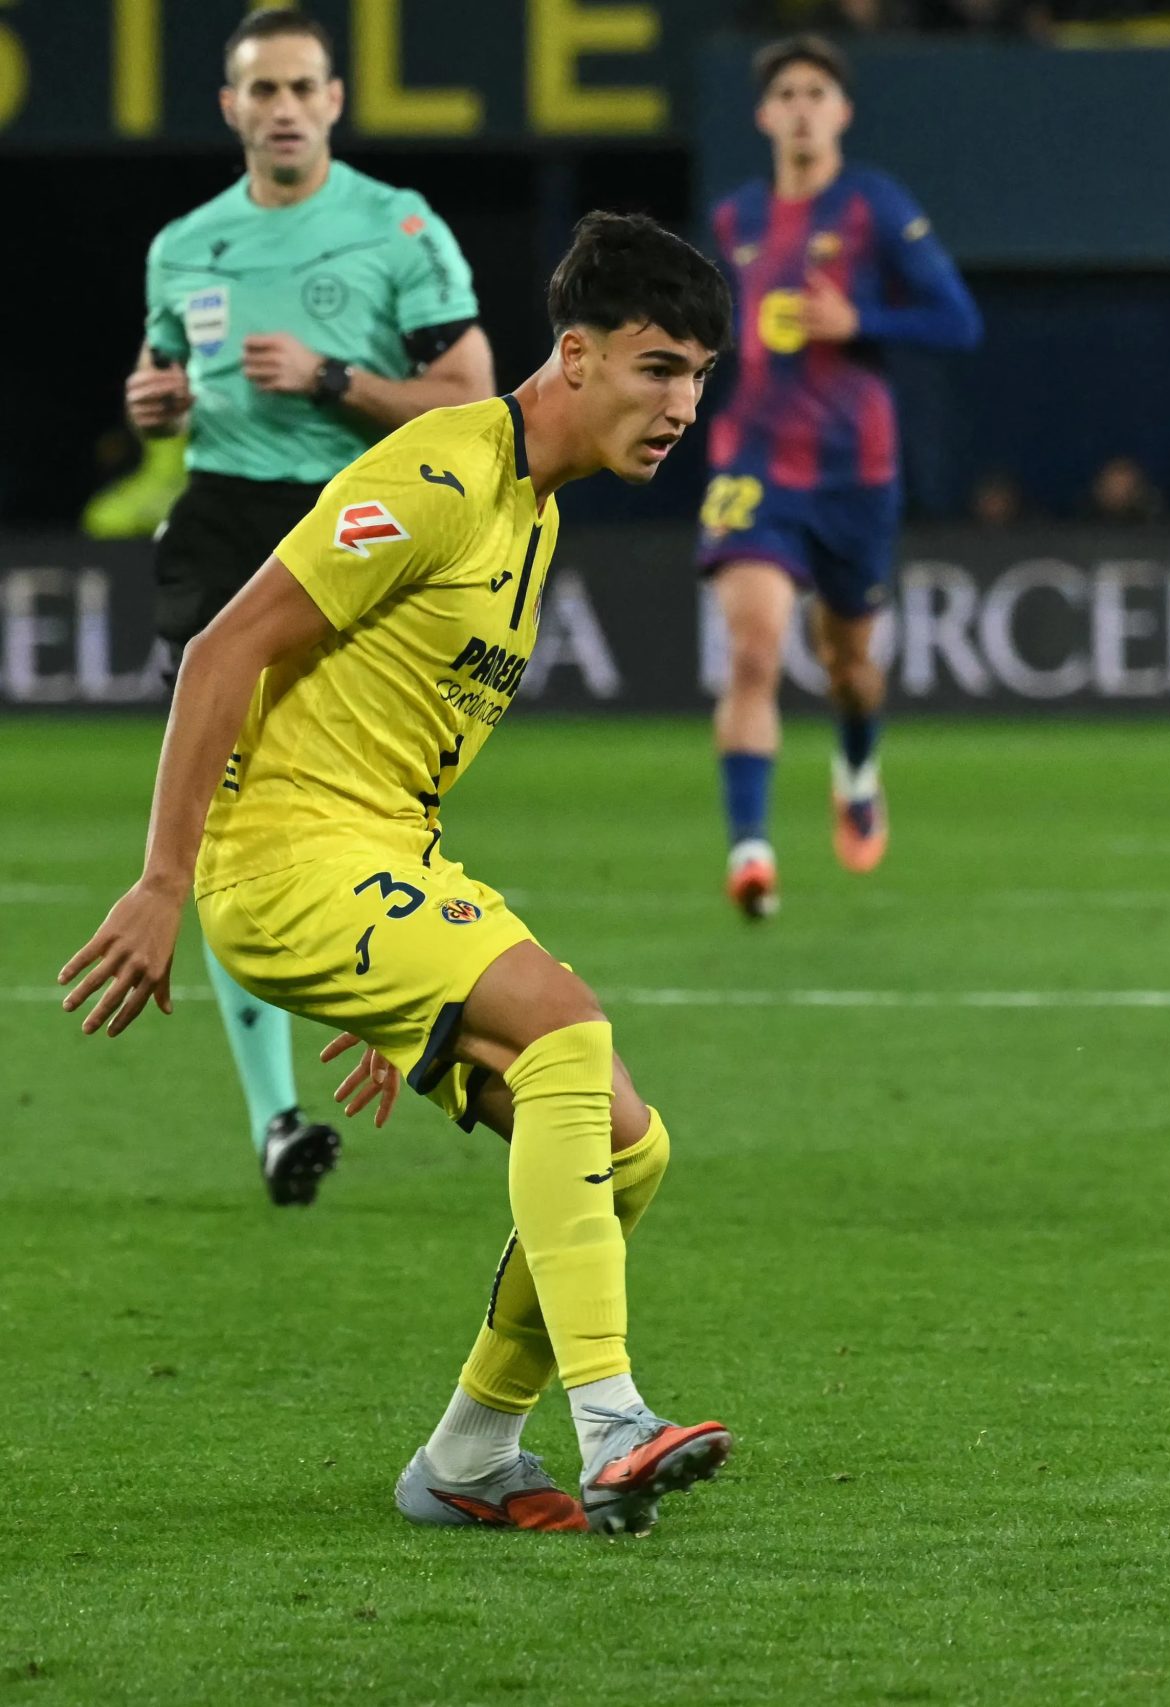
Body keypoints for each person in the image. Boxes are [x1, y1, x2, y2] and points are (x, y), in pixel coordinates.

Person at [60, 212, 738, 1538]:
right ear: (577, 354)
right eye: (659, 368)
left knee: (626, 1145)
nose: (681, 407)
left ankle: (470, 1452)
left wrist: (411, 983)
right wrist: (160, 880)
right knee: (565, 1023)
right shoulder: (439, 472)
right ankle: (613, 1421)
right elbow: (223, 649)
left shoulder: (534, 511)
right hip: (284, 861)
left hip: (379, 859)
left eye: (700, 378)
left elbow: (387, 737)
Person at [125, 6, 496, 1206]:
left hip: (356, 523)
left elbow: (471, 395)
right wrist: (156, 403)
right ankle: (277, 1119)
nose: (282, 107)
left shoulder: (398, 227)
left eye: (301, 87)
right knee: (231, 808)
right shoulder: (185, 247)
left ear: (334, 101)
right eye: (261, 89)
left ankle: (392, 1000)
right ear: (230, 107)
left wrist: (334, 378)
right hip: (227, 518)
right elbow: (170, 375)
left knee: (347, 804)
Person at [698, 34, 982, 920]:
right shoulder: (733, 219)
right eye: (786, 93)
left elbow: (958, 321)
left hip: (855, 468)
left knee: (849, 665)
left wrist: (857, 318)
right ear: (763, 114)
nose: (802, 108)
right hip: (754, 459)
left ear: (842, 112)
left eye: (817, 93)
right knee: (753, 650)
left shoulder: (872, 205)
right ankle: (750, 851)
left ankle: (856, 767)